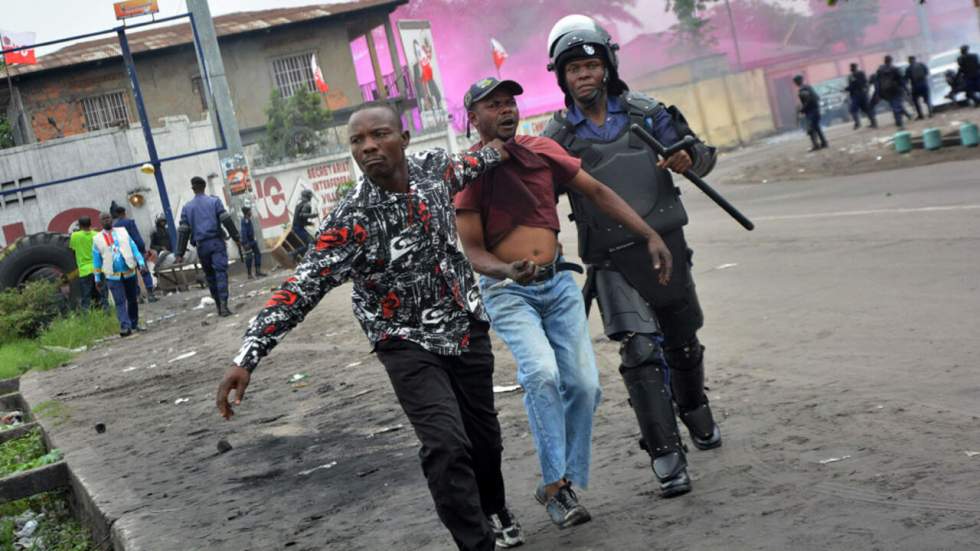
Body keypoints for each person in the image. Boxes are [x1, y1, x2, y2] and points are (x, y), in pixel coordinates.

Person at [216, 102, 525, 551]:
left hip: (464, 324)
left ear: (404, 138)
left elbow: (479, 159)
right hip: (403, 340)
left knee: (485, 441)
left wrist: (502, 140)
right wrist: (247, 356)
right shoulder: (350, 221)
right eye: (357, 141)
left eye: (379, 135)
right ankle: (476, 544)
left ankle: (494, 507)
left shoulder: (434, 170)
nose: (368, 147)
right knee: (446, 444)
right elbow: (300, 288)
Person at [456, 77, 674, 526]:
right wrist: (505, 270)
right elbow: (473, 251)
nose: (506, 110)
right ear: (473, 119)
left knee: (584, 386)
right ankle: (558, 489)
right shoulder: (469, 172)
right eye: (492, 105)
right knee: (541, 373)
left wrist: (649, 233)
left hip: (557, 286)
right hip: (508, 292)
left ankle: (557, 485)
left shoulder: (541, 150)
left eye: (509, 102)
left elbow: (596, 191)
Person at [541, 15, 723, 499]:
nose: (583, 75)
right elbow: (539, 202)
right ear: (560, 77)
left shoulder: (648, 113)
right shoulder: (556, 138)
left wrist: (687, 157)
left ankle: (695, 408)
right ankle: (665, 453)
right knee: (640, 352)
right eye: (572, 69)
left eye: (590, 64)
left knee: (682, 342)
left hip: (667, 245)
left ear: (608, 66)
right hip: (612, 260)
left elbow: (704, 156)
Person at [174, 177, 241, 317]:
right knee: (220, 273)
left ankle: (218, 305)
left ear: (193, 189)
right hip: (216, 243)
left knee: (210, 276)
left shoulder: (187, 207)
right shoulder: (214, 201)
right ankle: (223, 305)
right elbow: (226, 219)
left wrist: (179, 253)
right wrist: (236, 237)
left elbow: (183, 230)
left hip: (202, 247)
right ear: (204, 187)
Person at [92, 212, 147, 337]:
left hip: (129, 271)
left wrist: (141, 263)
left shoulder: (123, 231)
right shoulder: (97, 239)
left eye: (108, 218)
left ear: (112, 219)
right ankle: (125, 327)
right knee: (119, 301)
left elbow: (134, 248)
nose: (106, 220)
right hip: (112, 275)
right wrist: (97, 278)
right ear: (100, 222)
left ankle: (134, 323)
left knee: (132, 299)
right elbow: (96, 261)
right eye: (103, 219)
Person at [69, 216, 104, 310]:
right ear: (90, 224)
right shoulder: (97, 234)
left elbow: (72, 249)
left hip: (84, 270)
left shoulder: (75, 236)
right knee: (101, 294)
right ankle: (105, 312)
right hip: (98, 269)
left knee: (86, 296)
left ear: (79, 225)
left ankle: (87, 315)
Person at [792, 75, 828, 150]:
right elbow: (817, 97)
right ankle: (824, 143)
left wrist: (802, 109)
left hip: (811, 112)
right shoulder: (809, 87)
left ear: (798, 81)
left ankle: (816, 145)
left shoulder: (802, 90)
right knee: (816, 127)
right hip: (815, 110)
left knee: (810, 129)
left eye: (795, 82)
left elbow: (808, 101)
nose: (795, 83)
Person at [873, 55, 907, 128]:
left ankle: (900, 120)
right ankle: (899, 122)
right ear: (891, 60)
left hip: (886, 91)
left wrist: (878, 92)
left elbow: (877, 82)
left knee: (894, 105)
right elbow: (901, 80)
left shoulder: (880, 69)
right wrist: (906, 89)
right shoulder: (894, 68)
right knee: (897, 105)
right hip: (895, 89)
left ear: (884, 61)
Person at [845, 63, 877, 129]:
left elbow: (854, 86)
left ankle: (859, 123)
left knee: (854, 110)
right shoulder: (857, 74)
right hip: (860, 95)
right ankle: (872, 123)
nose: (851, 69)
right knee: (866, 109)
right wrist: (846, 89)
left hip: (859, 95)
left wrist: (847, 89)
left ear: (854, 68)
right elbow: (864, 83)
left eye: (852, 67)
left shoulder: (856, 75)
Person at [240, 206, 266, 279]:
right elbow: (243, 232)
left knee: (257, 254)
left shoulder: (248, 219)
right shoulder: (245, 220)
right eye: (250, 211)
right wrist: (245, 243)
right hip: (247, 242)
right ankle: (249, 274)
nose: (251, 212)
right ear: (247, 212)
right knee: (249, 257)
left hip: (251, 241)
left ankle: (258, 271)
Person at [292, 189, 316, 256]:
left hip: (297, 227)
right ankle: (293, 254)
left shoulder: (299, 205)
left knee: (310, 242)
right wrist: (313, 215)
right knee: (311, 243)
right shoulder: (306, 205)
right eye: (310, 196)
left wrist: (310, 223)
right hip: (298, 228)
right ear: (308, 197)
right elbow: (302, 215)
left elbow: (299, 219)